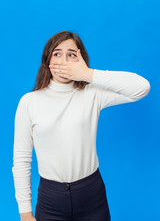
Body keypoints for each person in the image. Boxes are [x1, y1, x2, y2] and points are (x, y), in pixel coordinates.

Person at [12, 30, 151, 221]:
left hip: (91, 193)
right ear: (48, 61)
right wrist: (25, 212)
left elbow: (141, 87)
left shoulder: (92, 94)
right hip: (50, 198)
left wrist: (88, 74)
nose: (63, 60)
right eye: (57, 54)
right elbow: (21, 160)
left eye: (71, 55)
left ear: (81, 60)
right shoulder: (29, 102)